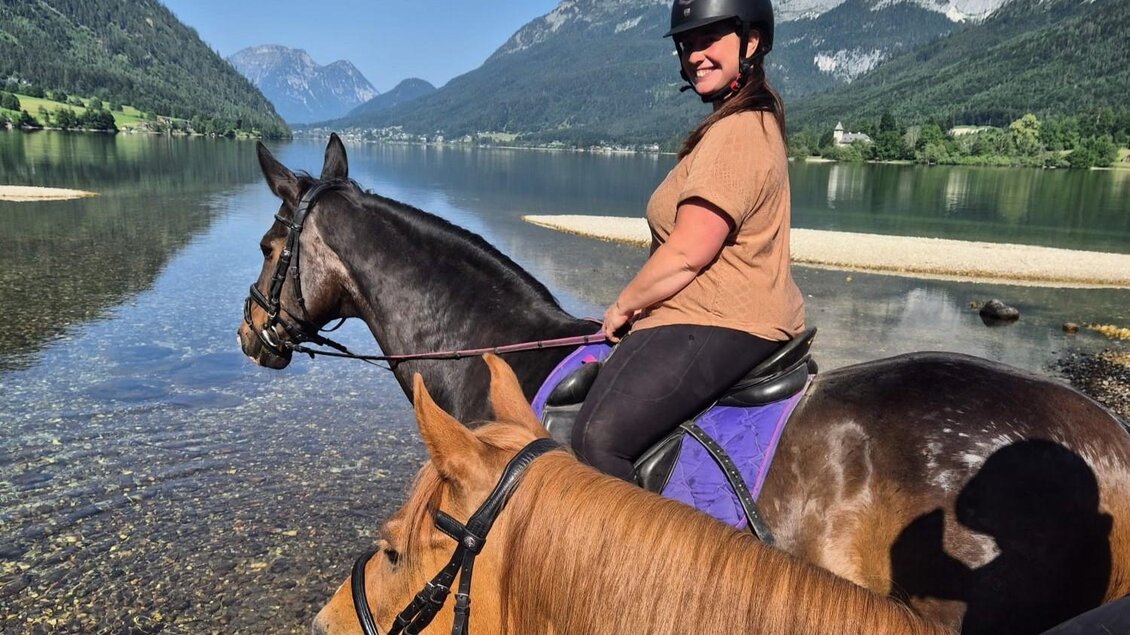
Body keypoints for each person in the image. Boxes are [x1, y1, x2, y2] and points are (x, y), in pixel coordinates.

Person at [571, 0, 805, 482]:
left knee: (597, 437)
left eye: (710, 39)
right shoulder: (735, 124)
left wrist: (622, 306)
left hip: (723, 318)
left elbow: (686, 253)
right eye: (688, 43)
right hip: (713, 314)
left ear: (752, 42)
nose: (695, 54)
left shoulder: (738, 132)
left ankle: (640, 558)